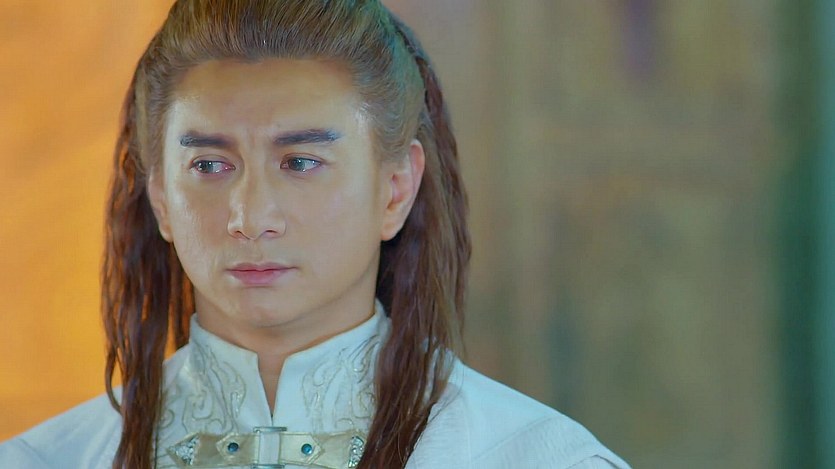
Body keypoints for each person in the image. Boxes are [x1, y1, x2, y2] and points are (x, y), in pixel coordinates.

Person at [0, 1, 630, 468]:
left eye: (300, 162)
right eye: (210, 166)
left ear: (396, 188)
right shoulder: (46, 460)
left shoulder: (532, 457)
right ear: (161, 196)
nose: (251, 217)